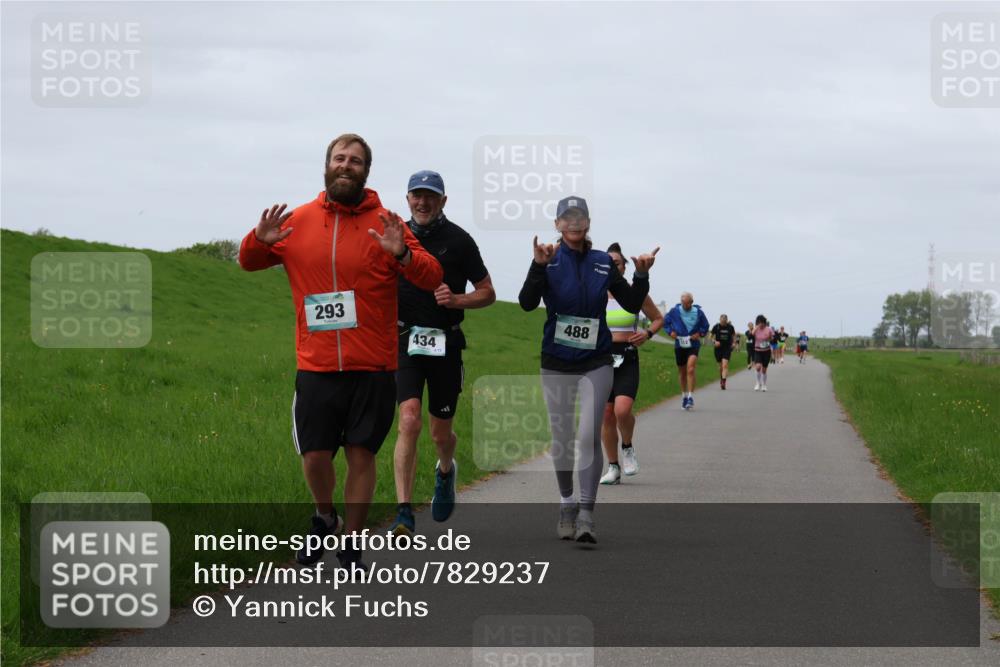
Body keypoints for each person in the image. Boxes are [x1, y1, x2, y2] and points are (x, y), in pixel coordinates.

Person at [239, 134, 443, 570]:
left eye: (355, 161)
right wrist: (259, 239)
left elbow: (431, 275)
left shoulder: (387, 222)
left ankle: (352, 539)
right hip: (315, 363)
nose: (346, 166)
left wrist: (403, 253)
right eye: (339, 158)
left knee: (360, 454)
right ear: (327, 166)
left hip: (371, 362)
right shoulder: (299, 220)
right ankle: (323, 516)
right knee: (314, 456)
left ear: (366, 171)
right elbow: (248, 262)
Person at [519, 196, 657, 543]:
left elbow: (629, 301)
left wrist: (640, 274)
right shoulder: (548, 259)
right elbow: (526, 303)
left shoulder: (602, 263)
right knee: (563, 439)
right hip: (557, 360)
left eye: (580, 217)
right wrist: (537, 266)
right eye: (567, 218)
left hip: (597, 359)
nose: (574, 223)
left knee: (586, 436)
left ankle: (586, 513)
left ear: (589, 223)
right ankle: (566, 502)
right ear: (557, 225)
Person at [391, 171, 495, 537]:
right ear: (407, 199)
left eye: (430, 197)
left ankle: (446, 470)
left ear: (443, 202)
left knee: (440, 434)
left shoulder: (461, 241)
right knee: (408, 419)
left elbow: (487, 292)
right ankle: (403, 512)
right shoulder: (395, 236)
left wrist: (458, 299)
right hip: (404, 341)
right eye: (416, 196)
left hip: (446, 343)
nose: (423, 202)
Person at [598, 243, 664, 485]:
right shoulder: (595, 292)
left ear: (624, 267)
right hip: (601, 357)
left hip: (627, 355)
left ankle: (627, 447)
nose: (611, 267)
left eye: (616, 263)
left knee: (622, 410)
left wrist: (647, 334)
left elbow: (658, 319)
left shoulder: (635, 294)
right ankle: (613, 467)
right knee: (606, 414)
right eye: (606, 263)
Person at [664, 293, 710, 410]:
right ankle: (684, 395)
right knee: (682, 372)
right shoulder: (674, 311)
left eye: (687, 303)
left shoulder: (698, 312)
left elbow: (706, 325)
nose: (684, 305)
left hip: (693, 344)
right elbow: (665, 322)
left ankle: (690, 397)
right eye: (682, 302)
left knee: (690, 368)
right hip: (679, 343)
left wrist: (699, 334)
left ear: (691, 302)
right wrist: (670, 332)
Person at [709, 314, 737, 390]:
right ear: (720, 320)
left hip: (727, 348)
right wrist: (714, 342)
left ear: (727, 320)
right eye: (722, 321)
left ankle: (724, 382)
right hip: (718, 348)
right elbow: (710, 336)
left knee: (725, 365)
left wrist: (734, 343)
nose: (723, 322)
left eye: (725, 321)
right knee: (720, 367)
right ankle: (722, 379)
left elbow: (734, 336)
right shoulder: (716, 327)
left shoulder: (730, 327)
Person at [752, 315, 775, 391]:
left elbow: (773, 338)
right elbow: (750, 336)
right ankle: (758, 383)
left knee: (764, 369)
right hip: (757, 351)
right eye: (759, 323)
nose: (760, 324)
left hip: (766, 351)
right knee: (758, 367)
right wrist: (755, 329)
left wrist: (770, 339)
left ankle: (764, 385)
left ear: (764, 323)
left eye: (762, 323)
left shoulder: (769, 329)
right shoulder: (756, 329)